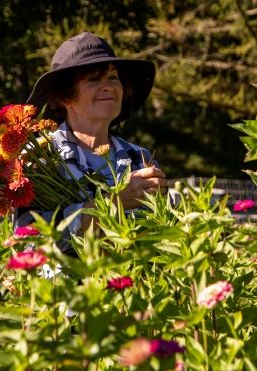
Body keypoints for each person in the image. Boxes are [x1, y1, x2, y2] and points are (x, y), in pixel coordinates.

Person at [16, 32, 167, 253]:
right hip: (64, 286)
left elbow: (163, 234)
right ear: (64, 96)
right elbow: (27, 240)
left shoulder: (140, 157)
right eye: (93, 79)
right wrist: (113, 204)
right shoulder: (39, 158)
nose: (108, 86)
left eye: (113, 77)